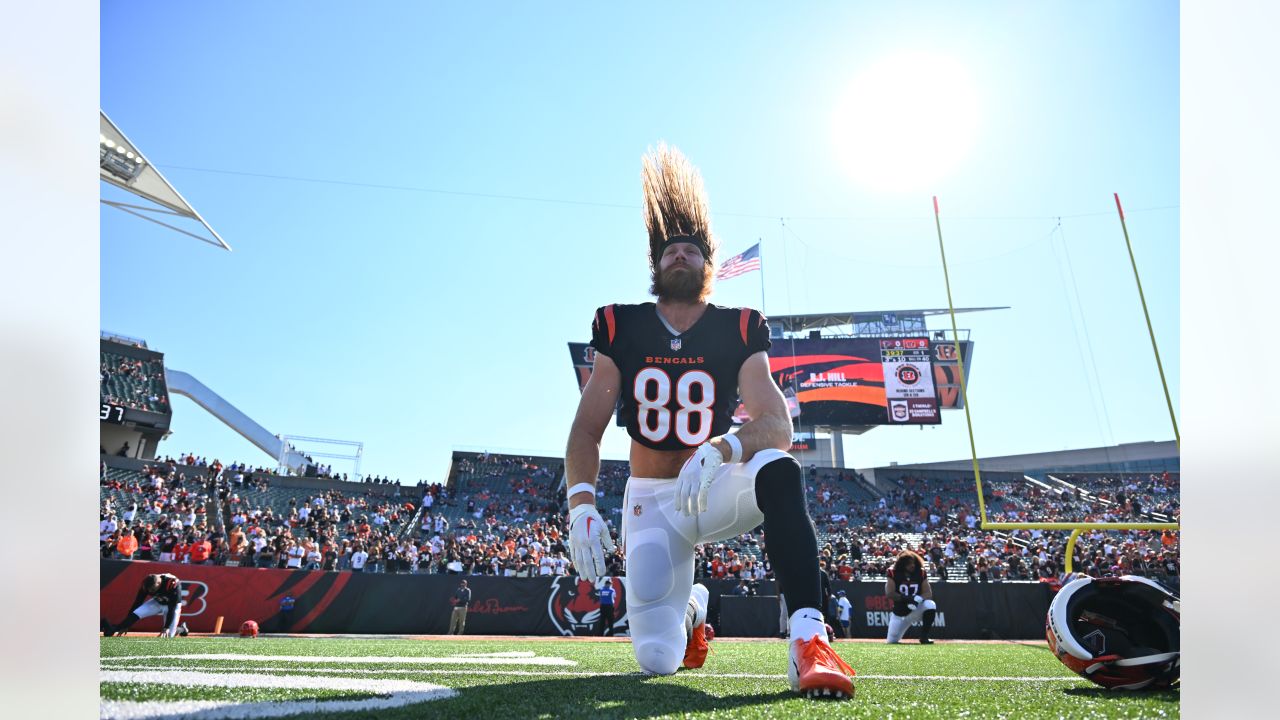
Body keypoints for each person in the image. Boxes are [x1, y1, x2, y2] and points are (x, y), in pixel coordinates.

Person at [564, 144, 855, 699]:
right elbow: (586, 430)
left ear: (708, 265)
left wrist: (722, 449)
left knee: (775, 466)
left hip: (714, 485)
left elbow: (775, 422)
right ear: (655, 265)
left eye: (691, 251)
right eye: (670, 250)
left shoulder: (739, 327)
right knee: (656, 660)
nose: (680, 256)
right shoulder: (619, 325)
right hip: (652, 497)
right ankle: (694, 608)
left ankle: (809, 638)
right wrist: (581, 503)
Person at [102, 572, 184, 638]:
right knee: (137, 613)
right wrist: (127, 624)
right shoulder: (147, 584)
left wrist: (166, 627)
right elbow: (138, 602)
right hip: (157, 601)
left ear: (159, 583)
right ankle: (113, 629)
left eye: (153, 590)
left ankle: (181, 629)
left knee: (169, 635)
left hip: (172, 605)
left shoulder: (172, 583)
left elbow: (172, 608)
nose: (151, 592)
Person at [885, 550, 938, 644]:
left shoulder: (920, 572)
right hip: (900, 613)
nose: (912, 565)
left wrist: (917, 599)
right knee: (892, 641)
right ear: (902, 564)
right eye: (909, 563)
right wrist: (909, 598)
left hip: (915, 609)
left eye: (913, 562)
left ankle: (924, 637)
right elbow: (890, 593)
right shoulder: (893, 572)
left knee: (930, 604)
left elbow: (928, 593)